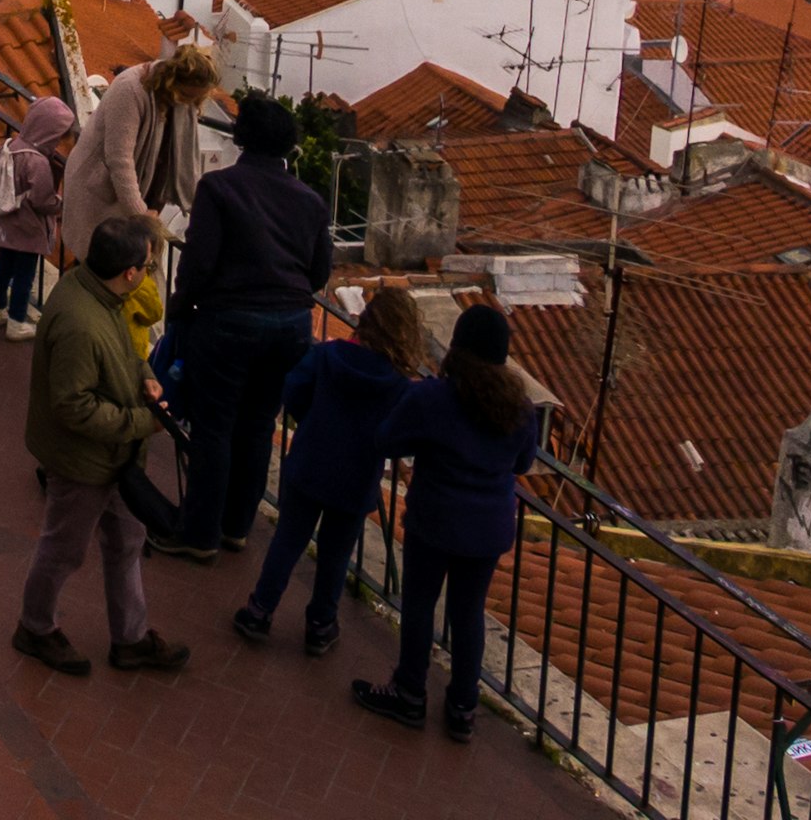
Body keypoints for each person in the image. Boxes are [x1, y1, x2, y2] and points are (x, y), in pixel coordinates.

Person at [154, 91, 335, 561]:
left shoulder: (219, 188)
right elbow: (318, 274)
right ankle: (237, 527)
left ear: (241, 138)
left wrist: (178, 311)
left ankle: (199, 535)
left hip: (229, 322)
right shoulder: (312, 202)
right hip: (291, 326)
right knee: (258, 426)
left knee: (214, 428)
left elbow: (198, 265)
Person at [357, 301, 549, 741]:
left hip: (436, 518)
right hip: (487, 530)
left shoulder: (433, 396)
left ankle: (409, 693)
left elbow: (387, 439)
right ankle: (462, 708)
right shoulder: (519, 409)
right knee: (468, 615)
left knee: (421, 606)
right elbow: (522, 463)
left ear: (457, 347)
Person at [12, 213, 188, 679]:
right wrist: (140, 422)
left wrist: (146, 377)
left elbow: (125, 350)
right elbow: (74, 407)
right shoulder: (80, 323)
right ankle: (34, 627)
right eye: (148, 267)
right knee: (63, 548)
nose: (149, 274)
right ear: (129, 272)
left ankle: (130, 639)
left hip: (111, 456)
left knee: (127, 540)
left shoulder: (96, 290)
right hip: (83, 461)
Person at [233, 283, 430, 654]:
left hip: (310, 463)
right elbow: (396, 436)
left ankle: (259, 610)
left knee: (288, 540)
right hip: (356, 478)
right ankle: (321, 625)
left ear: (364, 322)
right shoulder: (400, 386)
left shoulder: (327, 356)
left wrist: (313, 421)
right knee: (335, 555)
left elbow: (293, 390)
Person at [58, 41, 220, 262]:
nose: (189, 104)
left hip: (141, 195)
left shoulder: (182, 99)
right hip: (99, 191)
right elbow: (119, 159)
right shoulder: (130, 89)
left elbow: (181, 158)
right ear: (173, 81)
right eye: (186, 95)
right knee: (97, 264)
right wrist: (141, 216)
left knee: (121, 268)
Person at [0, 95, 72, 337]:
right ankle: (16, 320)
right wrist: (61, 206)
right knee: (24, 275)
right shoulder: (38, 162)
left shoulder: (9, 147)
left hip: (6, 222)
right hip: (28, 228)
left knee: (3, 266)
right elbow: (42, 199)